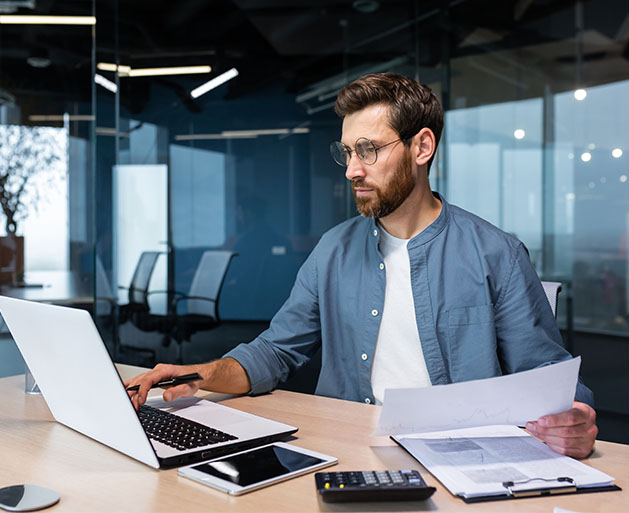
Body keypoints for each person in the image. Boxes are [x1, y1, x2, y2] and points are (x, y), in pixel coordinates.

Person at [126, 73, 597, 459]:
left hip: (462, 457)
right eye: (348, 152)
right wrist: (195, 374)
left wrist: (574, 416)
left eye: (369, 150)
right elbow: (275, 352)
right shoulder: (333, 250)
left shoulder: (497, 253)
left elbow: (549, 379)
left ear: (422, 147)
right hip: (346, 449)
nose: (352, 169)